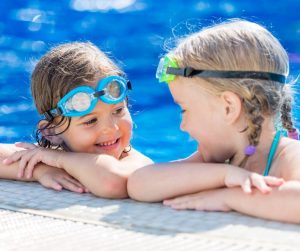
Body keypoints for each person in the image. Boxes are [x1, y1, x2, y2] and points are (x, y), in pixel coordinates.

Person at [127, 20, 300, 223]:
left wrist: (229, 197)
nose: (182, 126)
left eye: (185, 109)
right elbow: (139, 184)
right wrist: (223, 175)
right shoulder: (222, 162)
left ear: (229, 108)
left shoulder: (288, 156)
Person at [0, 42, 153, 198]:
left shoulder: (136, 163)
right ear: (51, 131)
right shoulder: (49, 156)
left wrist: (59, 160)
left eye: (118, 110)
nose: (111, 128)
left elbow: (112, 183)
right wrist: (41, 170)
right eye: (91, 121)